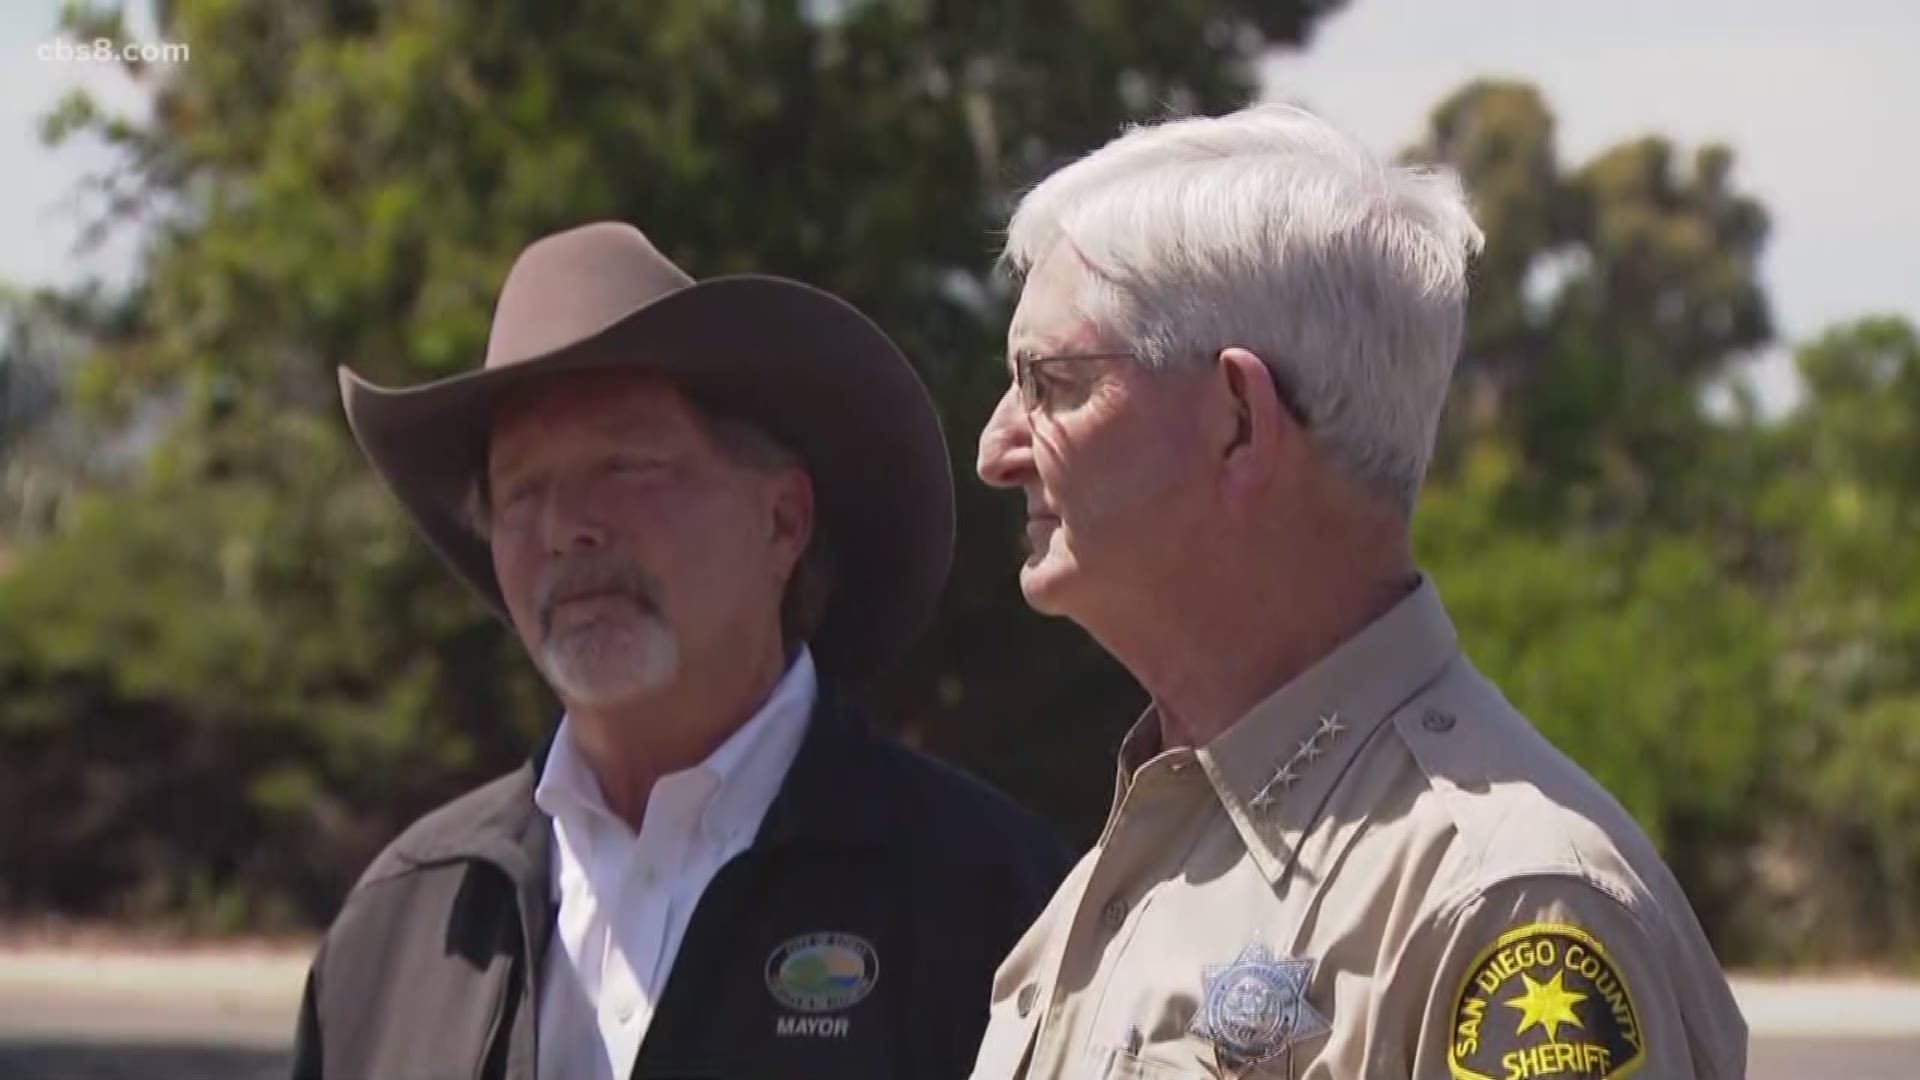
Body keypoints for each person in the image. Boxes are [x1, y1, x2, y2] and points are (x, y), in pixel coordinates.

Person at [966, 106, 1747, 1080]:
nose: (998, 450)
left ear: (1241, 423)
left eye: (1052, 382)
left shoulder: (1504, 899)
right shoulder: (1144, 863)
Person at [292, 220, 1070, 1080]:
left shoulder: (989, 904)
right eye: (521, 492)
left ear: (782, 522)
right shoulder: (405, 925)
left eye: (626, 468)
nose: (566, 528)